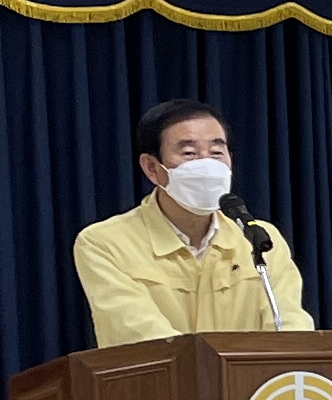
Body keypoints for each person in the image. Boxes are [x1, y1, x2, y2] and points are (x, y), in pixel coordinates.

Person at [72, 97, 313, 348]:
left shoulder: (259, 238)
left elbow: (290, 326)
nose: (206, 164)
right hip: (163, 375)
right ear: (152, 168)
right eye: (189, 153)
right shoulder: (105, 243)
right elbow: (139, 335)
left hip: (250, 375)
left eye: (216, 153)